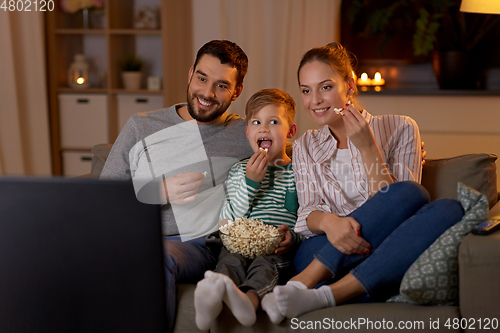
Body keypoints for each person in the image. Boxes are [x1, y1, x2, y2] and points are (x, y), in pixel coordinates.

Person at [260, 42, 465, 323]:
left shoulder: (401, 128)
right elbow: (307, 213)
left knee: (447, 208)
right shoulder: (306, 144)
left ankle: (319, 294)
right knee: (408, 202)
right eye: (306, 90)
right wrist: (332, 224)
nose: (315, 100)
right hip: (319, 251)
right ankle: (308, 281)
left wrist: (368, 148)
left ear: (350, 85)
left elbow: (403, 207)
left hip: (380, 250)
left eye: (326, 87)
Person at [99, 40, 254, 333]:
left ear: (237, 90)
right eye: (202, 78)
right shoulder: (141, 126)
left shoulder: (246, 133)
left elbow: (296, 161)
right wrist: (160, 192)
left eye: (222, 85)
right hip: (136, 236)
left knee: (157, 257)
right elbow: (105, 198)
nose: (207, 93)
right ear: (190, 74)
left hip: (196, 245)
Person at [194, 88, 303, 330]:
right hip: (239, 242)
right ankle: (211, 296)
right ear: (247, 132)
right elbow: (228, 220)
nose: (264, 128)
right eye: (256, 122)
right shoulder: (239, 171)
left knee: (266, 266)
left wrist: (292, 238)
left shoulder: (299, 174)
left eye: (273, 122)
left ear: (291, 131)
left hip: (275, 248)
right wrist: (251, 182)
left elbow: (305, 221)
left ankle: (248, 301)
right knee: (229, 261)